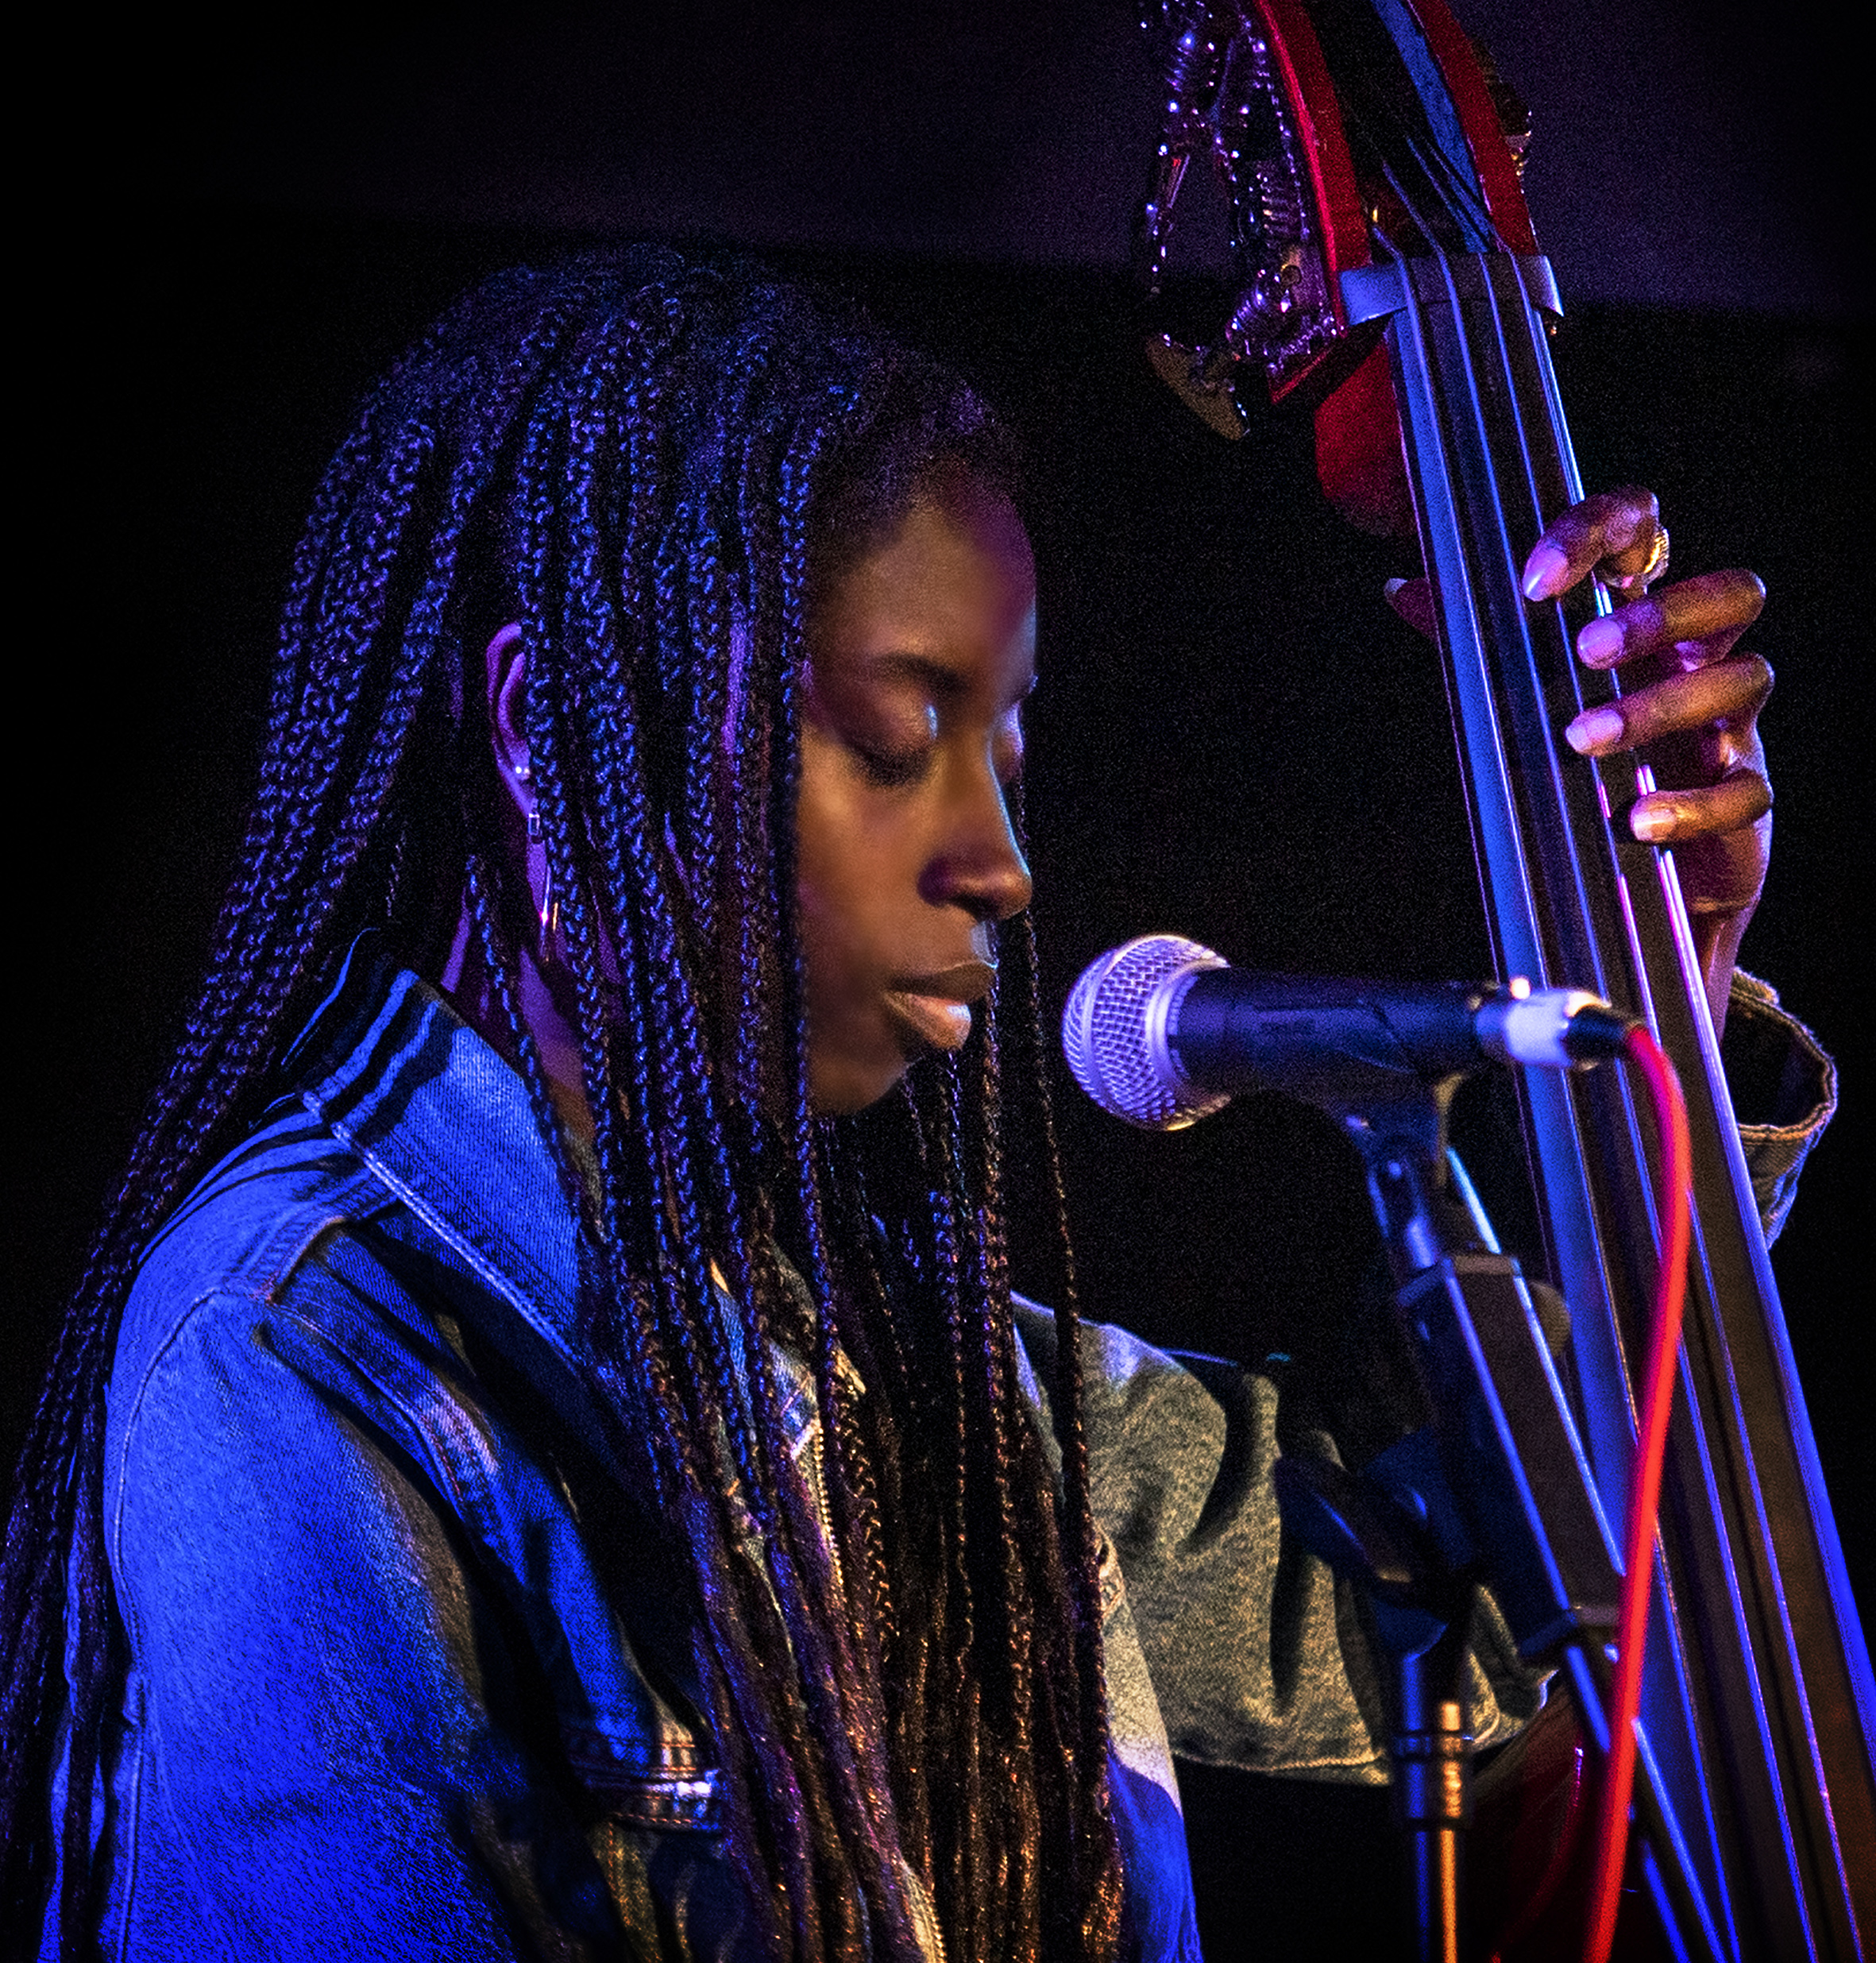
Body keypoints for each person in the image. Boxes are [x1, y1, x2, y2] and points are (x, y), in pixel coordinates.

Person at [0, 250, 1824, 1961]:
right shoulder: (299, 1345)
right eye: (894, 741)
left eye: (1004, 756)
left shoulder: (850, 1332)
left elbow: (1457, 1596)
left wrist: (1661, 950)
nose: (1002, 867)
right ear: (547, 736)